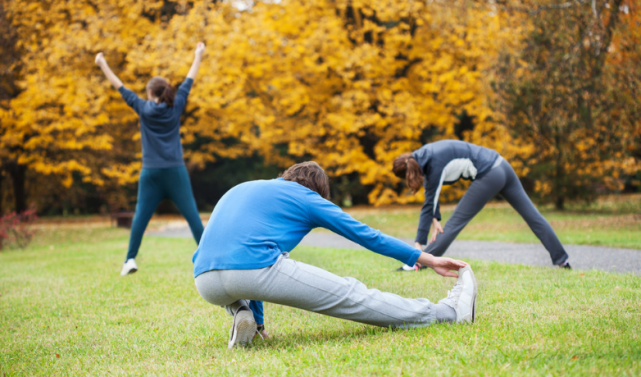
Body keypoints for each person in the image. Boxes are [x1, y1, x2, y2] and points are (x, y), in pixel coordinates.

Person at [192, 161, 478, 349]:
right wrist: (428, 258)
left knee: (247, 268)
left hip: (205, 281)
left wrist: (260, 322)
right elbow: (368, 236)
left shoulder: (246, 188)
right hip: (251, 269)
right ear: (317, 192)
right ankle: (448, 313)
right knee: (351, 294)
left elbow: (239, 246)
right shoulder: (306, 197)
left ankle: (243, 314)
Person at [95, 43, 207, 276]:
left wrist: (103, 63)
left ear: (150, 93)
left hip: (151, 173)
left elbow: (119, 86)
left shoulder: (143, 108)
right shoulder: (176, 105)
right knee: (192, 216)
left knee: (141, 217)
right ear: (165, 91)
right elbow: (189, 79)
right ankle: (209, 257)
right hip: (175, 171)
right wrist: (197, 55)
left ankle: (130, 260)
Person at [392, 140, 571, 271]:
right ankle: (562, 260)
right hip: (502, 165)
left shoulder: (432, 167)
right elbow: (433, 195)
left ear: (409, 174)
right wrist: (435, 218)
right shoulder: (425, 153)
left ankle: (418, 264)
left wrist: (418, 244)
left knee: (453, 225)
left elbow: (428, 202)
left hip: (489, 174)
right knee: (533, 217)